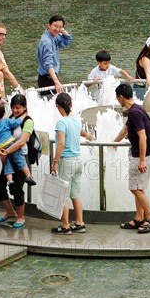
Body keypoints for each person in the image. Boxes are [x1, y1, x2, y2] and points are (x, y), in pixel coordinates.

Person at [113, 84, 150, 233]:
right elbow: (126, 129)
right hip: (143, 154)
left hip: (141, 155)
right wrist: (114, 143)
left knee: (136, 188)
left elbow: (142, 136)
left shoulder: (134, 113)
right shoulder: (136, 109)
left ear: (121, 97)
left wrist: (141, 160)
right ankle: (139, 217)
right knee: (139, 188)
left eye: (117, 97)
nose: (117, 100)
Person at [50, 93, 94, 234]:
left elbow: (61, 143)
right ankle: (80, 223)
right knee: (75, 193)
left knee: (63, 195)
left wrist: (55, 162)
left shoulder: (61, 123)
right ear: (71, 105)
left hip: (66, 161)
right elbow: (80, 131)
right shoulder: (76, 120)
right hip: (78, 160)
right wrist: (87, 135)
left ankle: (65, 225)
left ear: (58, 107)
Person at [0, 94, 34, 229]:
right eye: (13, 108)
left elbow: (22, 141)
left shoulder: (28, 121)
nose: (15, 110)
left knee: (17, 188)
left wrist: (7, 151)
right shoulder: (9, 119)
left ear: (24, 107)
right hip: (4, 157)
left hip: (19, 158)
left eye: (18, 108)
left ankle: (21, 216)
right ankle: (10, 211)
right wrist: (0, 152)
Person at [0, 103, 36, 186]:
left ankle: (10, 181)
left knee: (7, 164)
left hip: (1, 148)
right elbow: (17, 122)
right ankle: (28, 175)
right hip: (11, 144)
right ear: (3, 114)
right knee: (20, 160)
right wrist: (24, 115)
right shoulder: (6, 121)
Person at [37, 14, 73, 95]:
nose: (57, 29)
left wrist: (62, 30)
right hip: (47, 78)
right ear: (49, 25)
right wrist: (57, 82)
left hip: (51, 76)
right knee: (51, 104)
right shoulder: (47, 41)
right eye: (55, 26)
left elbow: (67, 41)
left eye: (60, 27)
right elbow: (48, 64)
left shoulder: (54, 36)